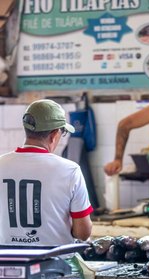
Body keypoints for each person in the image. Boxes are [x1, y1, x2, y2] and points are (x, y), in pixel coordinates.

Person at [0, 99, 93, 246]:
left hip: (7, 263)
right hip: (56, 264)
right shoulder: (70, 170)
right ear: (54, 134)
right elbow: (82, 233)